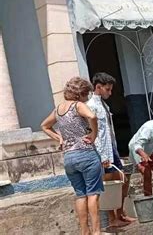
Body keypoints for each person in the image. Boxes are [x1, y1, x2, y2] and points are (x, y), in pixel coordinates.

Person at [41, 77, 102, 235]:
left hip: (69, 157)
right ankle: (96, 232)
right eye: (86, 94)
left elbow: (45, 126)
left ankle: (84, 231)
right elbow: (92, 117)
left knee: (80, 195)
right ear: (80, 94)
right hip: (86, 153)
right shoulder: (78, 105)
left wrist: (59, 138)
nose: (88, 97)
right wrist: (94, 135)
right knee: (93, 194)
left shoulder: (59, 109)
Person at [87, 72, 135, 227]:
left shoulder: (103, 105)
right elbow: (93, 134)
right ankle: (112, 217)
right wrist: (101, 156)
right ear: (98, 87)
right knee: (109, 184)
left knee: (122, 180)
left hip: (111, 148)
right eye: (107, 89)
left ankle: (120, 213)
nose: (110, 92)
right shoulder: (91, 106)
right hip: (103, 152)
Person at [128, 113, 153, 214]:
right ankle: (149, 204)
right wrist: (144, 155)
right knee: (147, 174)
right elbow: (137, 144)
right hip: (138, 150)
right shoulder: (149, 128)